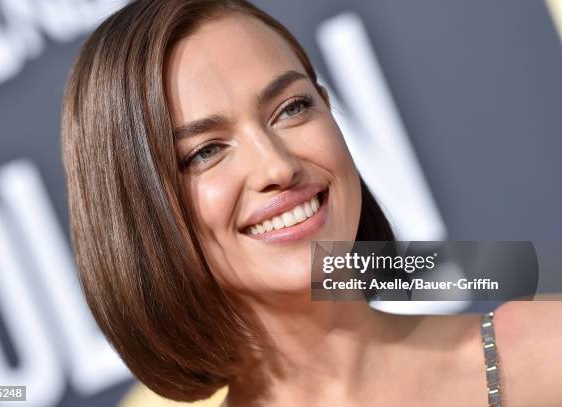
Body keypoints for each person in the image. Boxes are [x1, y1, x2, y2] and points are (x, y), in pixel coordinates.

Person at [61, 1, 562, 406]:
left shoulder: (541, 354)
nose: (277, 167)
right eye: (206, 151)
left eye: (292, 108)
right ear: (137, 216)